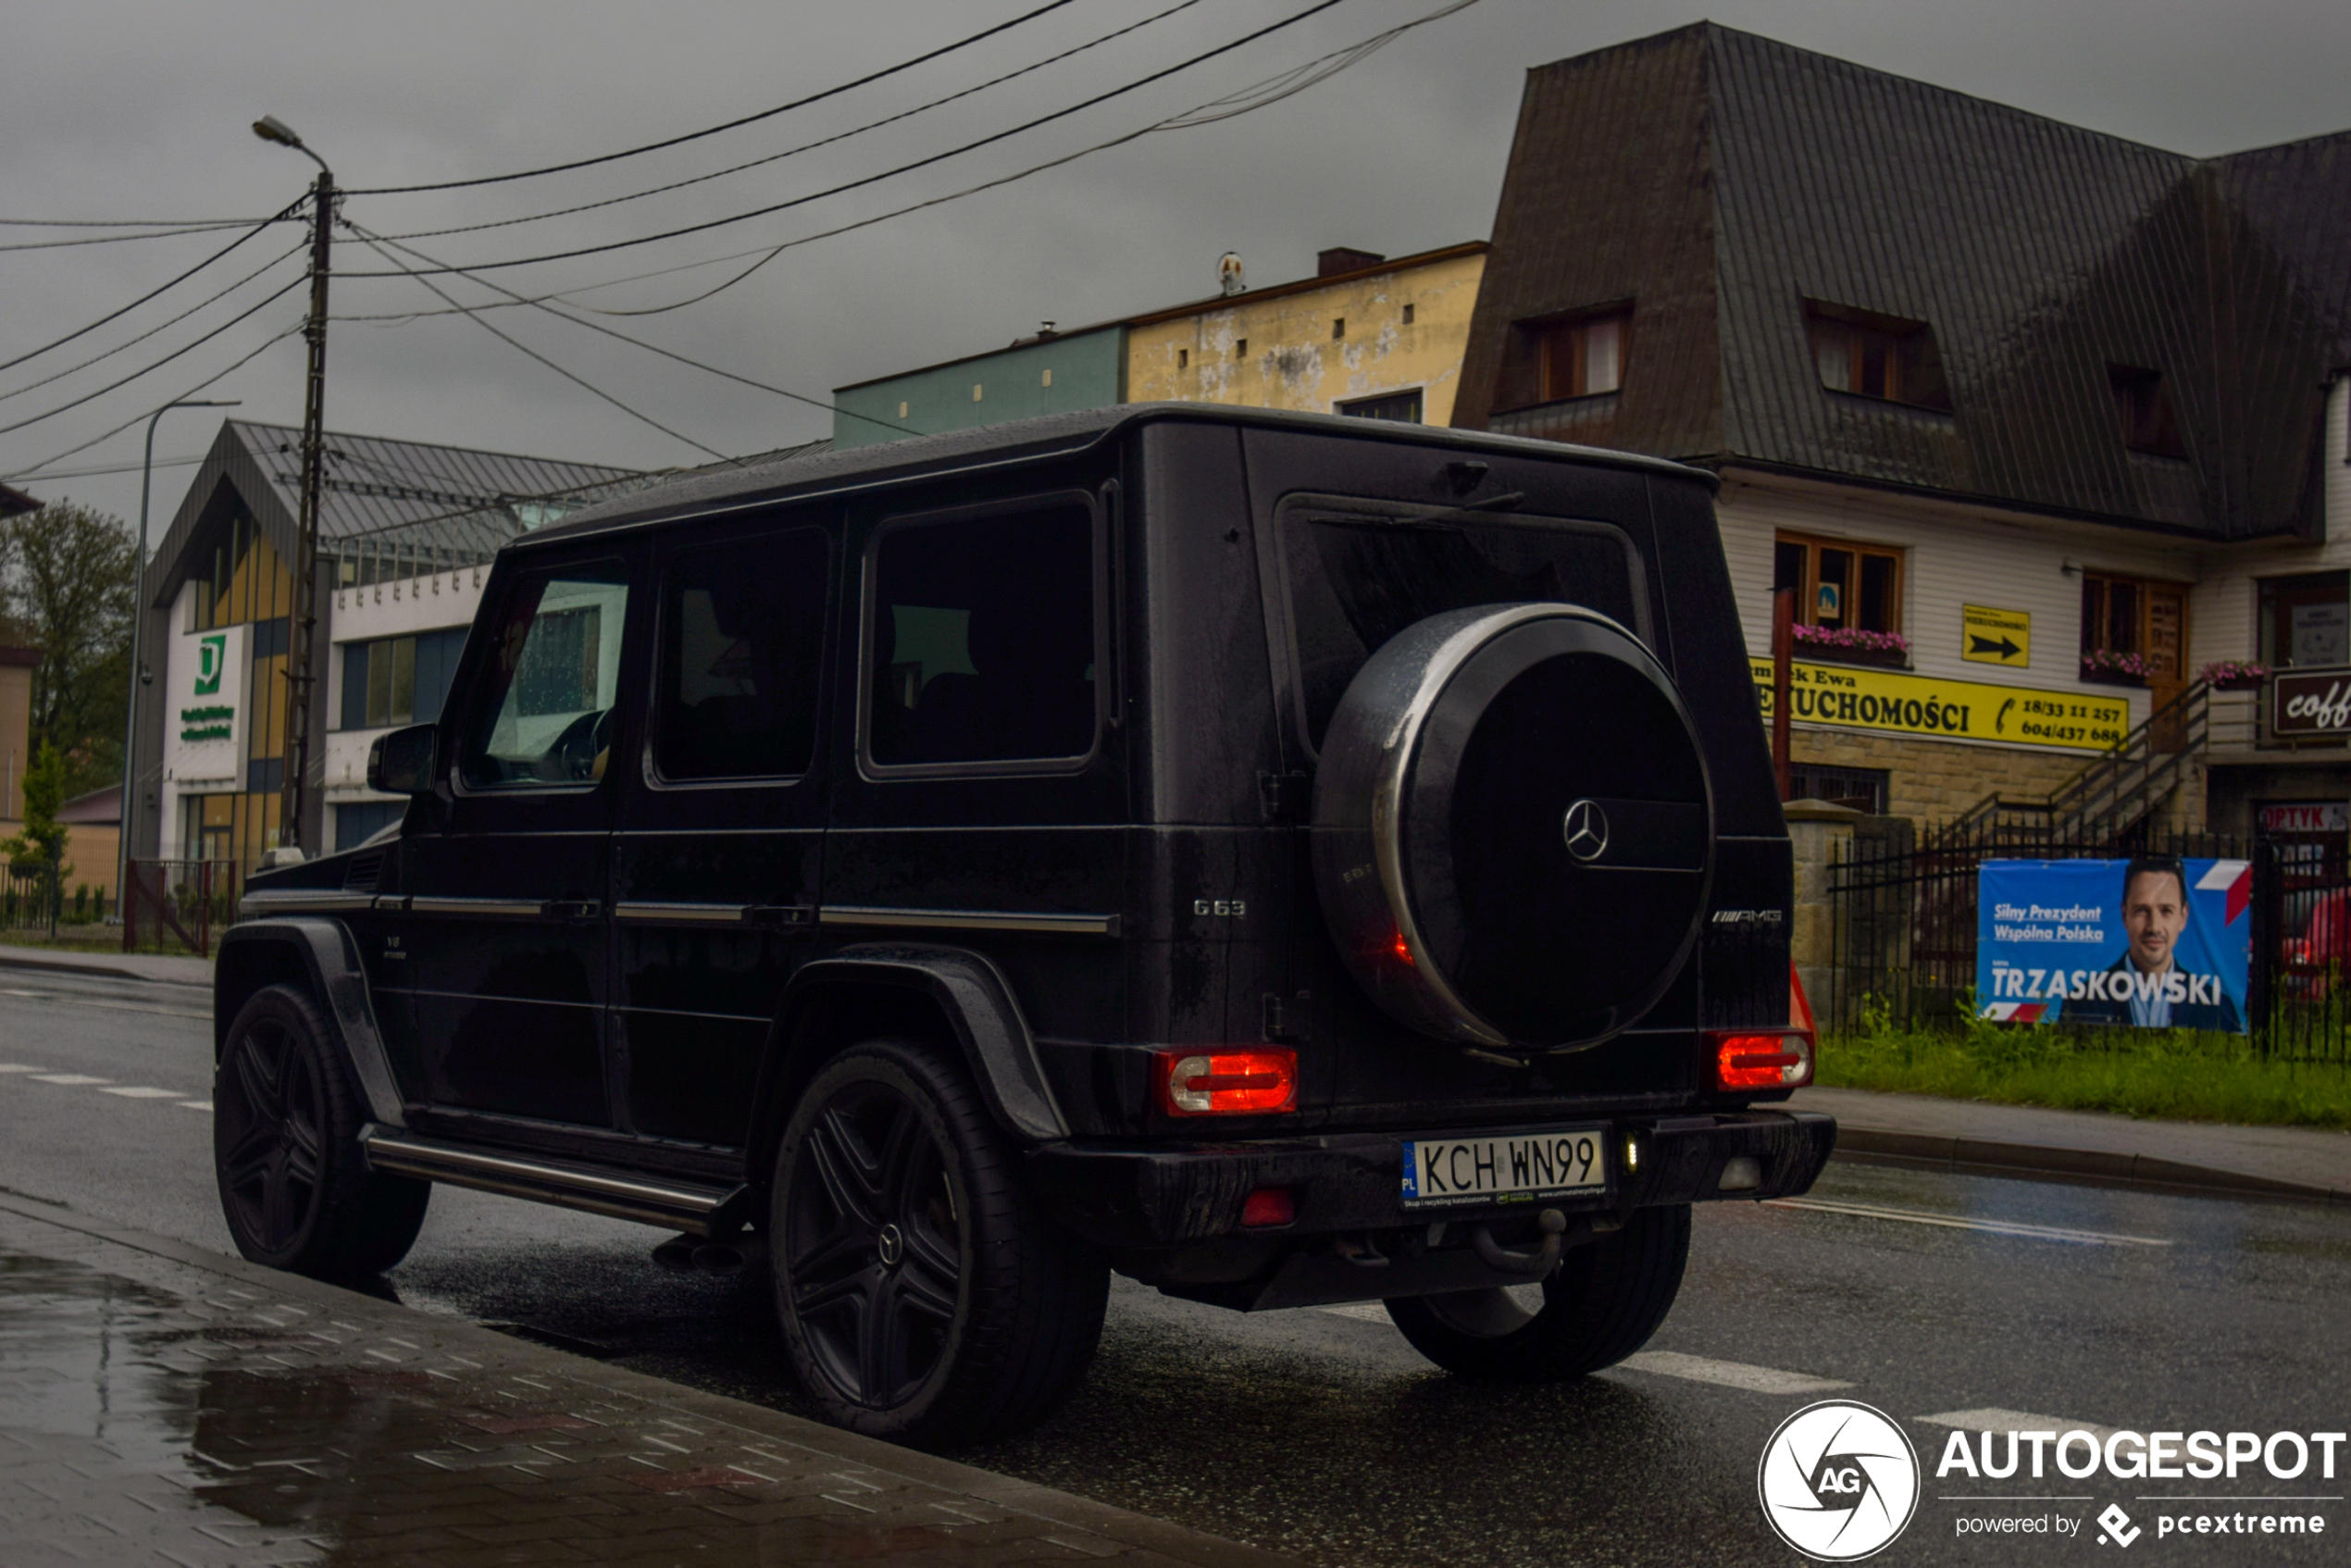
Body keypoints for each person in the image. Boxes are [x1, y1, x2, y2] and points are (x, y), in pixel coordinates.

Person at [2064, 855, 2242, 1030]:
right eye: (2142, 910)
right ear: (2124, 915)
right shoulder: (2081, 1000)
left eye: (2166, 910)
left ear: (2183, 916)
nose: (2154, 927)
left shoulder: (2220, 1008)